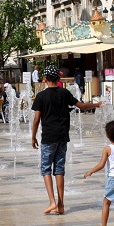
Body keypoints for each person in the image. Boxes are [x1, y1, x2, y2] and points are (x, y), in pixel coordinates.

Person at [31, 65, 101, 215]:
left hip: (48, 137)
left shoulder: (41, 96)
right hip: (63, 136)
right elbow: (81, 106)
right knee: (59, 169)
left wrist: (33, 137)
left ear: (44, 79)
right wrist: (97, 104)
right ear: (58, 79)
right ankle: (61, 205)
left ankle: (52, 201)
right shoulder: (64, 93)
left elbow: (36, 119)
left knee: (45, 169)